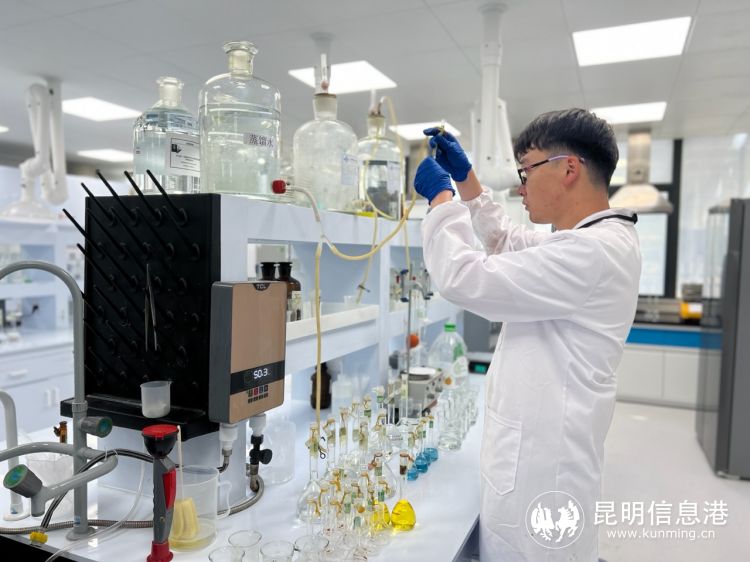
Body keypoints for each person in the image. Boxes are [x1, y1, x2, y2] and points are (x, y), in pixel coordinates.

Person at [414, 108, 641, 561]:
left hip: (544, 474)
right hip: (537, 457)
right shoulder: (589, 239)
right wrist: (468, 182)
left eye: (527, 170)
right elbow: (506, 242)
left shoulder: (592, 252)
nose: (521, 186)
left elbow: (463, 278)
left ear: (569, 168)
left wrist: (442, 202)